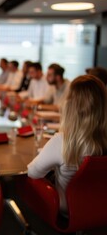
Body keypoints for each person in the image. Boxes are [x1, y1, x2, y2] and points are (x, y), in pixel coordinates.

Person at [27, 75, 107, 214]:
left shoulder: (62, 141)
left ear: (70, 106)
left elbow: (33, 172)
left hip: (70, 208)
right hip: (101, 205)